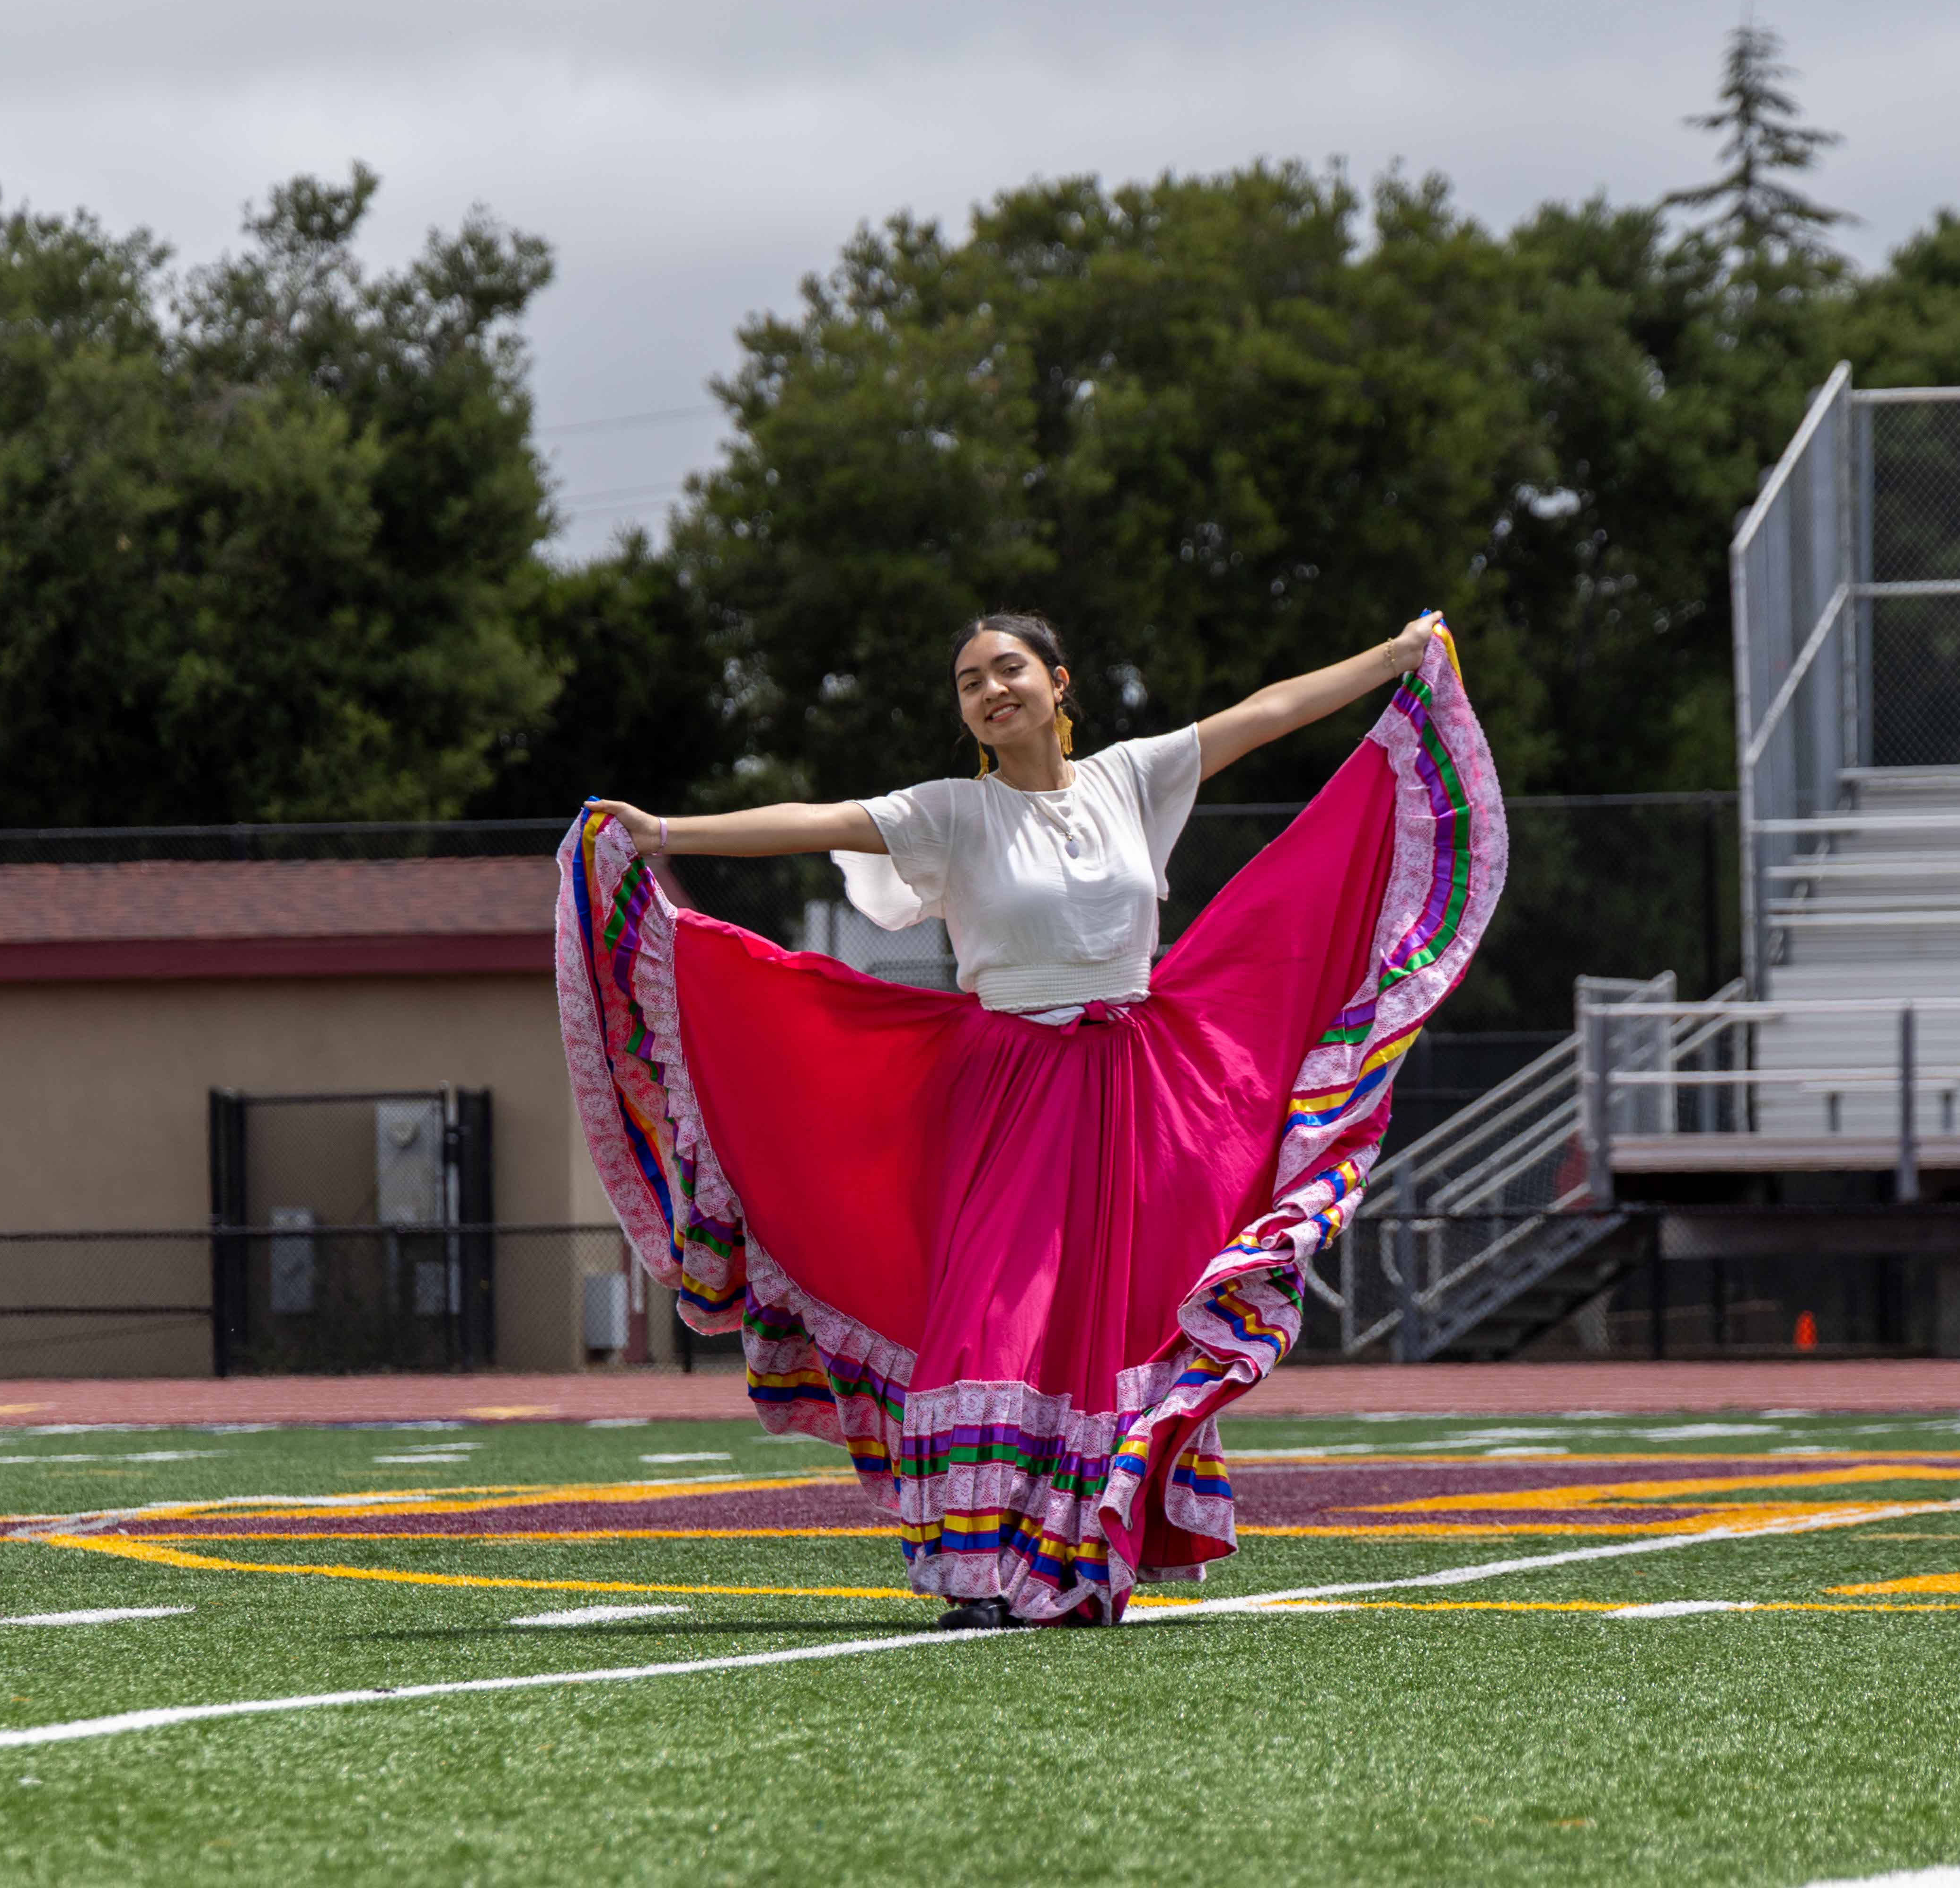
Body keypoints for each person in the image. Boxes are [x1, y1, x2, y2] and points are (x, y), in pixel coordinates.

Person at [558, 608, 1505, 1627]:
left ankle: (1082, 1548)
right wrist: (660, 833)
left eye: (1007, 668)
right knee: (993, 1309)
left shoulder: (1131, 776)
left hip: (1137, 1082)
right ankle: (976, 1571)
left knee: (1119, 1315)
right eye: (969, 681)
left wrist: (1395, 658)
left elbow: (1266, 714)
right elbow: (815, 817)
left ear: (1059, 683)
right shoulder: (950, 814)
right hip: (1010, 1086)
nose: (989, 689)